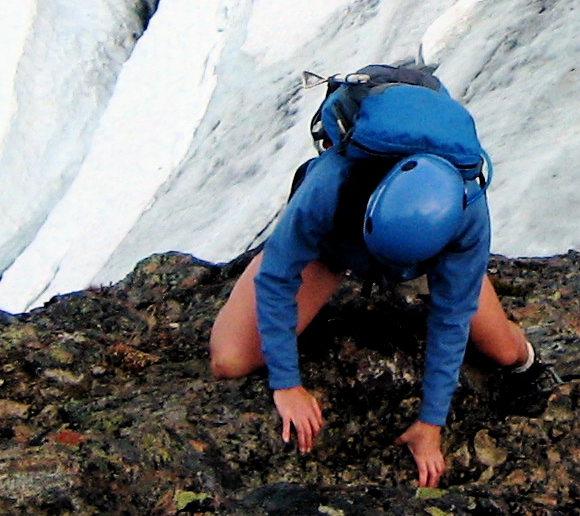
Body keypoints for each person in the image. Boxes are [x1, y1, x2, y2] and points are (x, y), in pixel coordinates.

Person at [209, 63, 538, 487]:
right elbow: (277, 277)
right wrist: (286, 383)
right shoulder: (331, 184)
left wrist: (430, 426)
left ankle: (531, 361)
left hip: (427, 252)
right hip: (335, 245)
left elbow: (451, 317)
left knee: (504, 352)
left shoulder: (466, 210)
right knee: (231, 358)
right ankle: (312, 245)